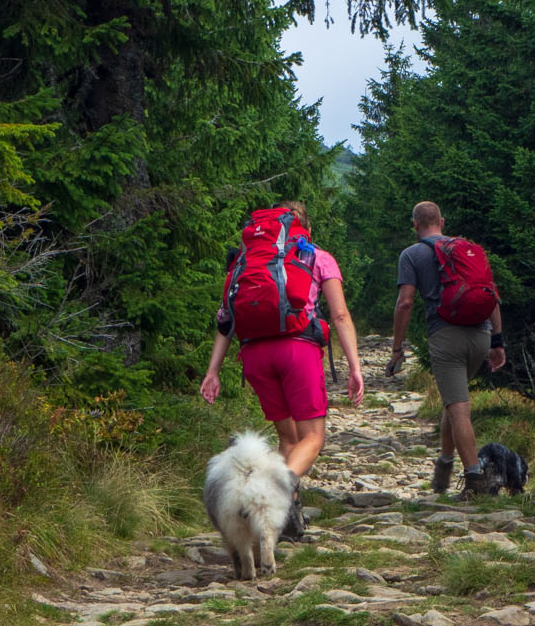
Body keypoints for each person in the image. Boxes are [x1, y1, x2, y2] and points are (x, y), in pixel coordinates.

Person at [198, 201, 365, 490]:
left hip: (254, 355)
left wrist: (213, 372)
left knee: (288, 439)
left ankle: (283, 512)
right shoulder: (318, 257)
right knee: (312, 438)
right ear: (307, 228)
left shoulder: (245, 262)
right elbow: (339, 315)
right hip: (297, 351)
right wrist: (355, 367)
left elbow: (226, 321)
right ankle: (268, 493)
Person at [387, 201, 506, 498]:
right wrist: (497, 341)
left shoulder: (412, 254)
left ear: (415, 225)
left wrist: (397, 347)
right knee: (454, 401)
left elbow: (405, 302)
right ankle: (444, 466)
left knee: (459, 408)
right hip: (480, 334)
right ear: (442, 221)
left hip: (445, 336)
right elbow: (491, 294)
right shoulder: (468, 250)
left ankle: (474, 479)